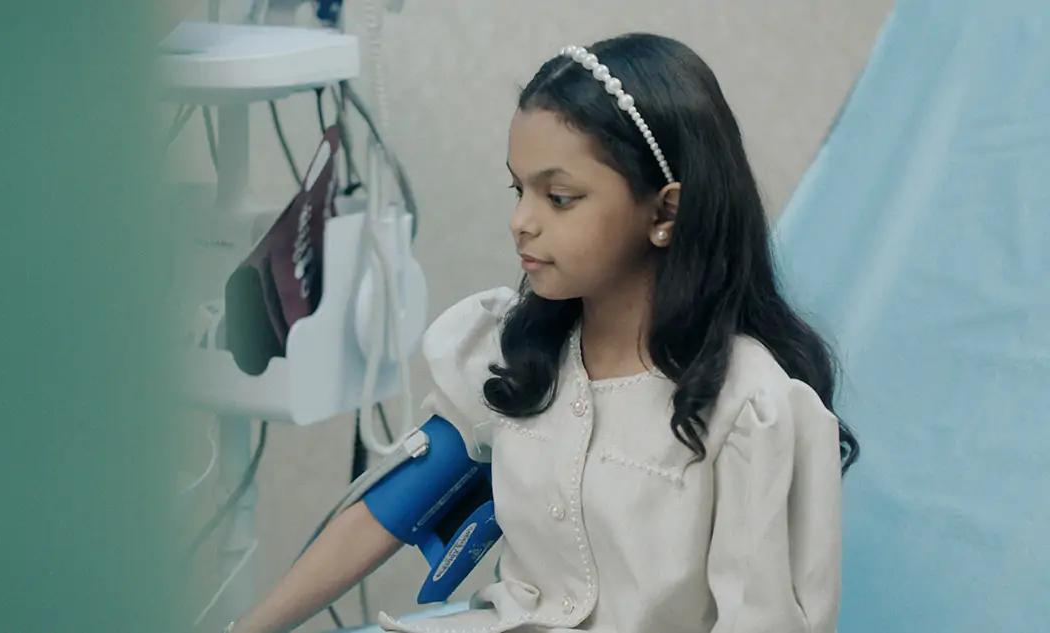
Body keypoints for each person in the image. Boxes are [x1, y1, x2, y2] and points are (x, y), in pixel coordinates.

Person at [230, 32, 860, 633]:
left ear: (665, 209)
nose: (520, 222)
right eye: (517, 189)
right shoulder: (515, 359)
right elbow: (383, 515)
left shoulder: (751, 408)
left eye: (558, 198)